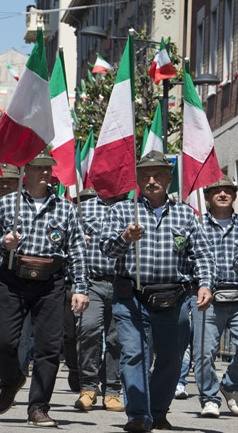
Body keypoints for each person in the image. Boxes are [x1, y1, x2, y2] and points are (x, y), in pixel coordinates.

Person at [100, 150, 214, 432]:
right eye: (146, 175)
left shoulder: (186, 214)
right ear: (138, 180)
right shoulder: (122, 211)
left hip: (174, 298)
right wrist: (125, 238)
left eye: (158, 175)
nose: (152, 180)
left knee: (171, 358)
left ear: (169, 179)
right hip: (130, 297)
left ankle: (158, 411)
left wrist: (205, 284)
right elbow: (106, 249)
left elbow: (202, 254)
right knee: (134, 353)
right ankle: (138, 415)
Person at [0, 150, 88, 428]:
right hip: (13, 278)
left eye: (48, 168)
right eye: (38, 167)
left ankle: (38, 407)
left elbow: (77, 250)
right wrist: (3, 243)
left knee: (48, 348)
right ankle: (11, 378)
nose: (44, 172)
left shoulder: (65, 208)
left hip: (51, 282)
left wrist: (80, 288)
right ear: (25, 171)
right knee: (1, 341)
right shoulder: (6, 204)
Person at [74, 187, 124, 412]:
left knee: (117, 338)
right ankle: (88, 387)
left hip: (123, 284)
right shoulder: (84, 209)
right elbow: (71, 245)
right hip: (92, 282)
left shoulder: (133, 209)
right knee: (88, 330)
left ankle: (112, 390)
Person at [194, 176, 238, 418]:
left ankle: (230, 384)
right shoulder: (196, 224)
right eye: (216, 191)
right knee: (203, 353)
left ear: (234, 196)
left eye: (227, 191)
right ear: (207, 197)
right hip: (207, 297)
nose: (222, 194)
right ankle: (209, 398)